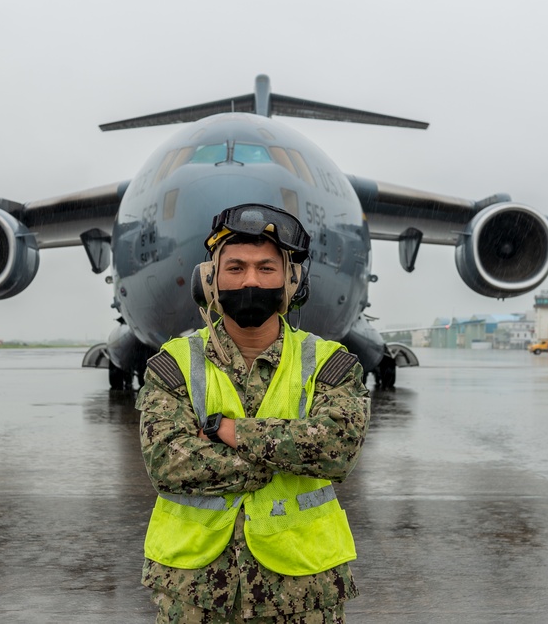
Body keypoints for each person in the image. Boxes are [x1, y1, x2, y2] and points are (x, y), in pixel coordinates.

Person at [135, 203, 371, 623]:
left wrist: (229, 431)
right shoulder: (173, 364)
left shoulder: (328, 362)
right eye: (235, 267)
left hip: (302, 593)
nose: (249, 280)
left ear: (291, 281)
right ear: (209, 280)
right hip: (195, 593)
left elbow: (336, 450)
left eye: (266, 268)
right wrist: (280, 454)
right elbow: (167, 463)